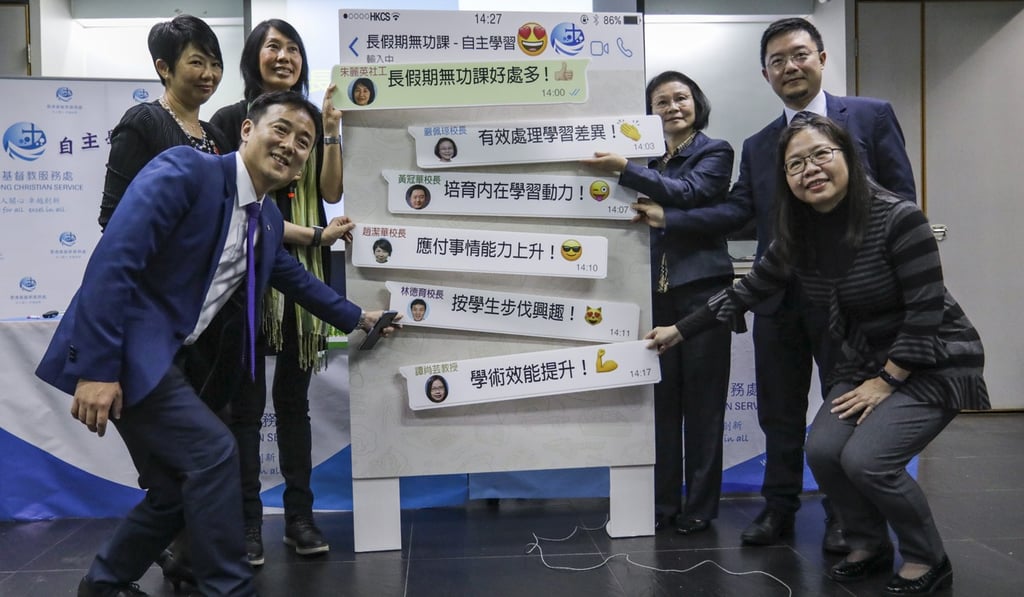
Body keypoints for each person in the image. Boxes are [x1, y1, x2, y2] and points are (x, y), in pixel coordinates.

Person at [36, 90, 398, 597]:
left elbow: (295, 281)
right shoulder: (185, 172)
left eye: (304, 142)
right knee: (212, 453)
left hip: (164, 359)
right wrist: (98, 369)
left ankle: (102, 586)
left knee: (170, 493)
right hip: (123, 351)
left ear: (301, 170)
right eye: (281, 130)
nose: (291, 145)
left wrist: (361, 318)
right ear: (247, 131)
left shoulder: (268, 220)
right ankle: (229, 589)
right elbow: (113, 264)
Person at [647, 113, 987, 596]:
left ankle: (926, 556)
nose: (810, 169)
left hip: (934, 359)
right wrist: (680, 330)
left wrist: (886, 381)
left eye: (821, 155)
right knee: (824, 451)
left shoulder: (899, 218)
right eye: (795, 165)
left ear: (848, 156)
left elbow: (926, 312)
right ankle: (869, 544)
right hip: (867, 361)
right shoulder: (800, 234)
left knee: (869, 461)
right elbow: (750, 288)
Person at [664, 17, 917, 552]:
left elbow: (901, 196)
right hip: (776, 298)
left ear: (821, 58)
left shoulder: (870, 117)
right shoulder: (759, 145)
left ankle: (842, 517)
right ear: (765, 74)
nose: (790, 67)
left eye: (799, 54)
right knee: (777, 412)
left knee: (842, 407)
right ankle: (777, 508)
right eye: (777, 61)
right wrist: (669, 219)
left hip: (850, 303)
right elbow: (740, 213)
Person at [210, 18, 347, 567]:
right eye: (273, 47)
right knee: (243, 411)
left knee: (293, 405)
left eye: (293, 48)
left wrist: (332, 129)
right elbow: (239, 207)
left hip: (301, 284)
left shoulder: (310, 122)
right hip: (243, 283)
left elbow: (330, 190)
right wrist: (312, 234)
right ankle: (247, 525)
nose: (284, 55)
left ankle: (300, 519)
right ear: (254, 57)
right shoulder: (230, 120)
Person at [581, 71, 734, 535]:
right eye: (661, 102)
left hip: (704, 296)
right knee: (661, 408)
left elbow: (692, 194)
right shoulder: (647, 156)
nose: (672, 108)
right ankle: (663, 503)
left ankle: (701, 507)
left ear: (697, 103)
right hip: (650, 297)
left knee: (704, 409)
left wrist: (626, 169)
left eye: (681, 98)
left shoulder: (714, 151)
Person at [97, 15, 228, 231]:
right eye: (197, 62)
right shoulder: (143, 122)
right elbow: (113, 216)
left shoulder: (215, 135)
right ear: (164, 68)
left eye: (215, 64)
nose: (209, 74)